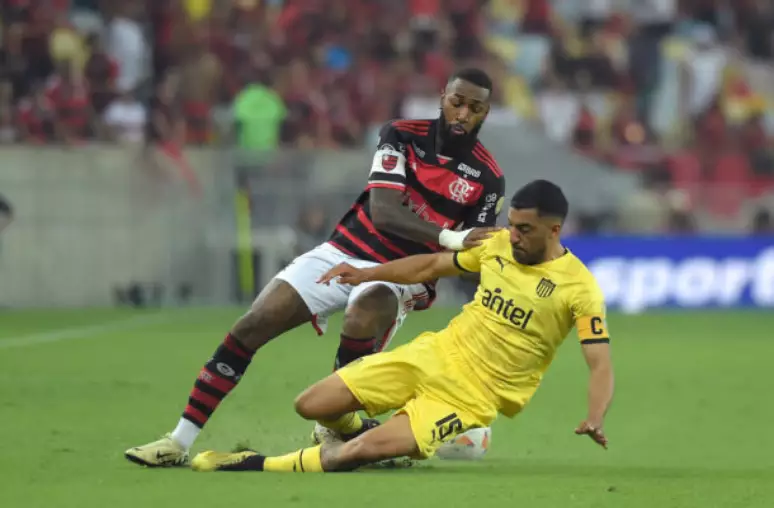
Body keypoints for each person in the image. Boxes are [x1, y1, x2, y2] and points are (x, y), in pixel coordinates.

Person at [125, 68, 506, 467]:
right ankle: (177, 442)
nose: (463, 114)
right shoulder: (401, 134)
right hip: (344, 249)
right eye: (457, 102)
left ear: (486, 112)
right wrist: (450, 237)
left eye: (474, 108)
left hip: (403, 271)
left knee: (365, 309)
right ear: (443, 96)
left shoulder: (487, 178)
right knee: (253, 323)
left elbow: (471, 257)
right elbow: (384, 212)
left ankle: (335, 420)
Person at [189, 179, 615, 473]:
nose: (513, 235)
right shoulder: (498, 246)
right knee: (312, 405)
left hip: (471, 395)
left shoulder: (579, 288)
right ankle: (383, 435)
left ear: (554, 229)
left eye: (525, 229)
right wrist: (367, 273)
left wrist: (595, 416)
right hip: (434, 353)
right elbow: (430, 264)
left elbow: (599, 363)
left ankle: (258, 464)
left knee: (355, 453)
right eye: (511, 225)